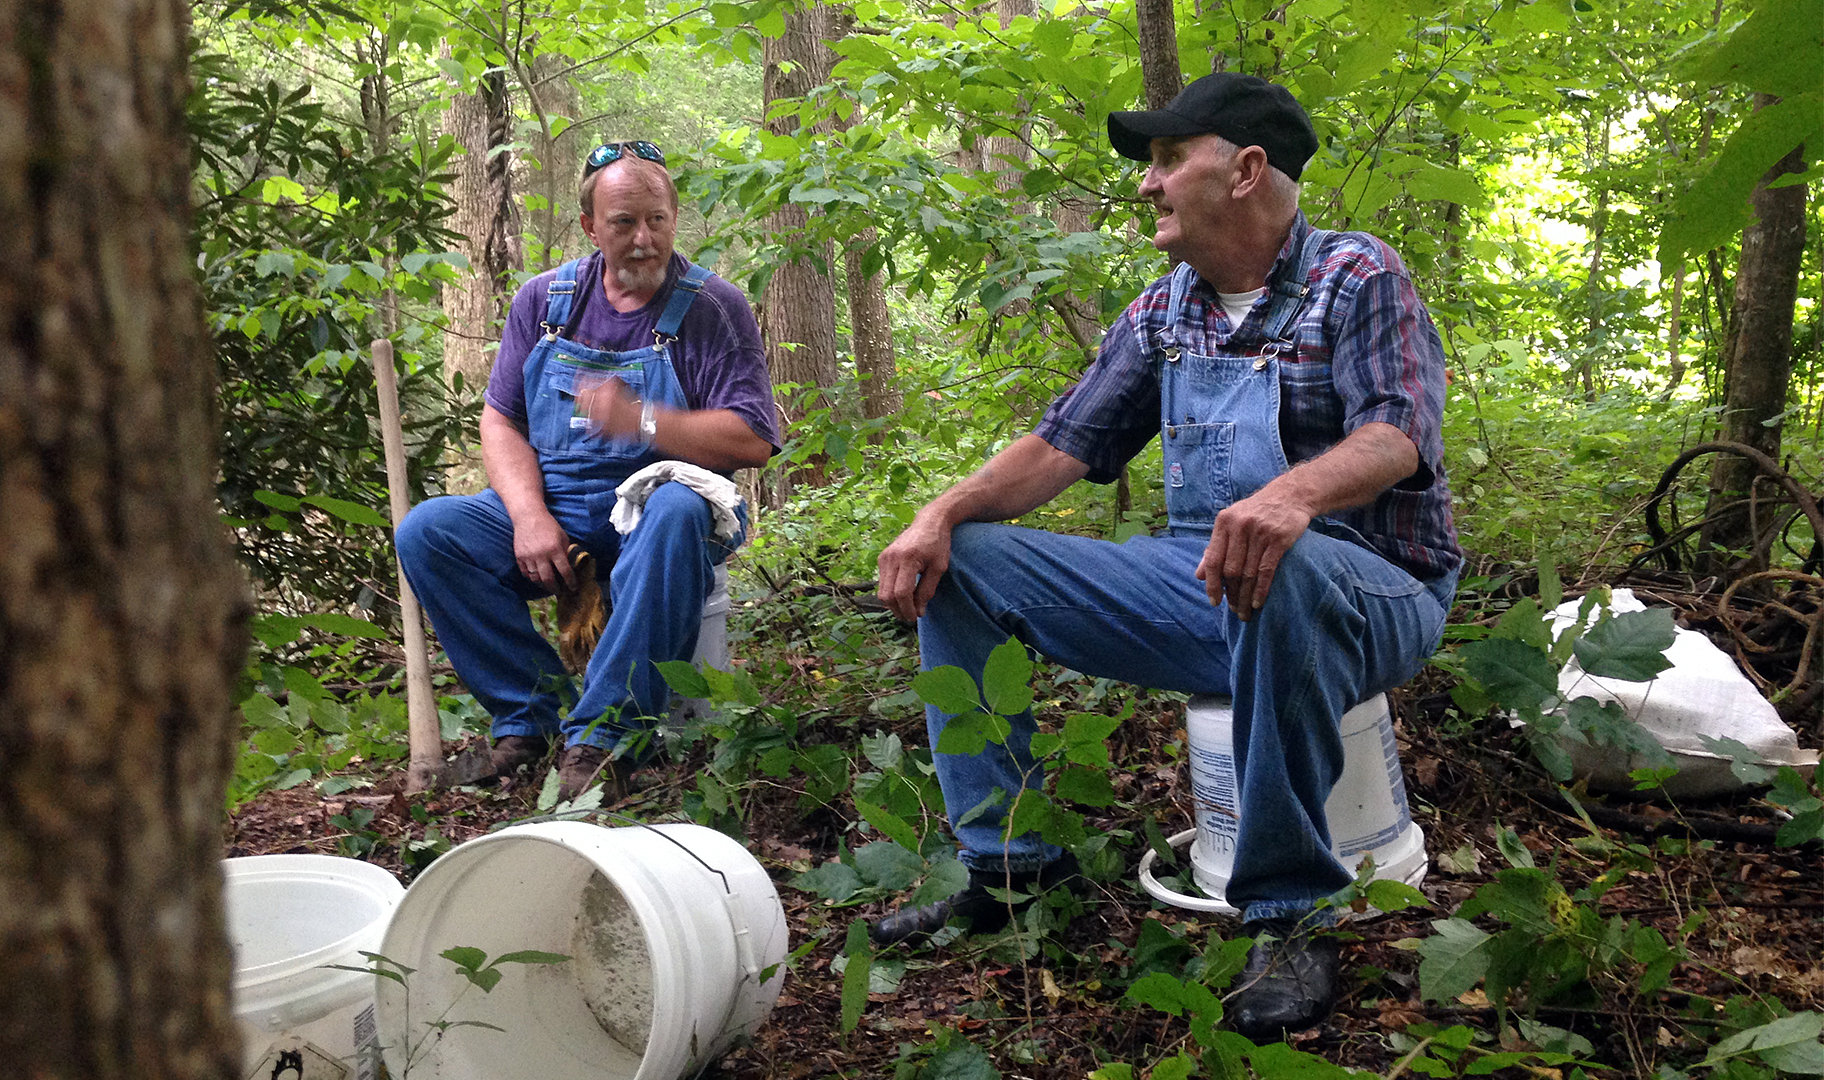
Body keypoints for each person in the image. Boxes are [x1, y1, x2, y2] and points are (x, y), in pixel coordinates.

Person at [870, 74, 1461, 1040]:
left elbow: (1400, 431)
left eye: (1167, 159)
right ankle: (1010, 866)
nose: (1147, 185)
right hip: (1204, 586)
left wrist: (1291, 497)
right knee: (966, 561)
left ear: (1246, 170)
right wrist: (943, 511)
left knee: (1292, 561)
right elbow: (1063, 446)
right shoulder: (1163, 311)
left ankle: (1288, 909)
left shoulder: (1358, 276)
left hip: (1373, 588)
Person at [398, 140, 779, 798]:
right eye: (624, 222)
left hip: (661, 511)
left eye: (657, 220)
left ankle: (605, 739)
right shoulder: (547, 301)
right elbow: (501, 421)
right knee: (429, 532)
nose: (643, 239)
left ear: (674, 217)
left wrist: (646, 421)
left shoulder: (711, 308)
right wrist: (527, 515)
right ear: (589, 227)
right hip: (559, 507)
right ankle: (531, 718)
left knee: (676, 510)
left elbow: (752, 439)